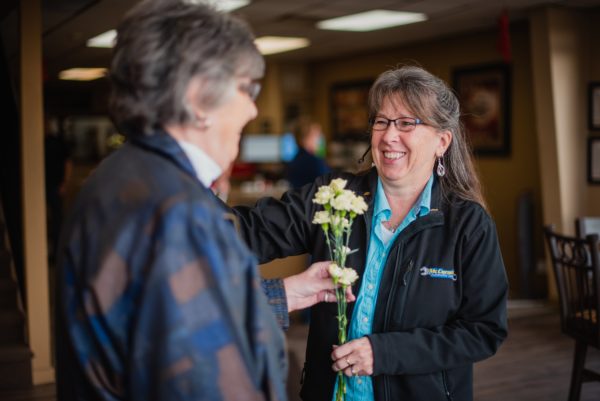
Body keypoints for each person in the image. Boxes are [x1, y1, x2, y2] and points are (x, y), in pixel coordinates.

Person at [55, 1, 347, 400]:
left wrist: (286, 294)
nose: (253, 108)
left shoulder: (121, 176)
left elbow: (170, 319)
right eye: (247, 88)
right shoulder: (177, 211)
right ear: (198, 97)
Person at [232, 65, 508, 401]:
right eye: (382, 121)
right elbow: (248, 232)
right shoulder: (332, 196)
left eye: (407, 123)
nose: (389, 135)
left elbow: (483, 330)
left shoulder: (467, 224)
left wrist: (385, 353)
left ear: (442, 141)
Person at [286, 117, 331, 189]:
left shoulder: (295, 160)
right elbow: (329, 185)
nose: (321, 139)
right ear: (306, 138)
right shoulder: (314, 162)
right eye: (317, 135)